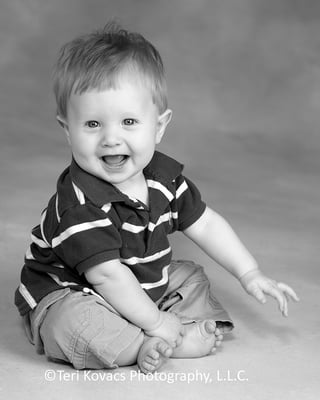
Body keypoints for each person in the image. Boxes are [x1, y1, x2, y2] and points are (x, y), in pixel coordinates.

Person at [14, 23, 299, 374]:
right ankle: (149, 341)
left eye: (129, 121)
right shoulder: (78, 204)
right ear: (67, 129)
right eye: (92, 124)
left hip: (135, 280)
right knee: (72, 324)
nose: (111, 139)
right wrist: (157, 323)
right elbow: (107, 278)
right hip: (72, 289)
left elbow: (206, 223)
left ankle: (152, 328)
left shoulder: (164, 181)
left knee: (190, 276)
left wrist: (249, 272)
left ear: (159, 127)